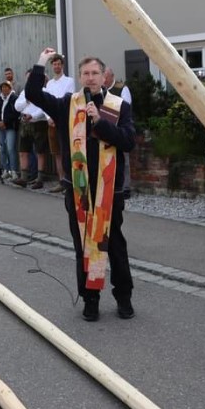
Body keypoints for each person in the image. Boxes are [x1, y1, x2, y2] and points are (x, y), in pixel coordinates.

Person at [26, 46, 137, 322]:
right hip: (77, 189)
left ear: (104, 76)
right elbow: (33, 95)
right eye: (85, 73)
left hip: (111, 191)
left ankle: (123, 297)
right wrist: (42, 63)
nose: (90, 78)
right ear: (79, 76)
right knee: (83, 246)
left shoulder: (118, 106)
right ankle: (90, 299)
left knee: (114, 246)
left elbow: (128, 141)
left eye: (95, 73)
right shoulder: (68, 104)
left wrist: (99, 122)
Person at [42, 52, 76, 193]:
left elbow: (67, 100)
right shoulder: (49, 83)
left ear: (62, 65)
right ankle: (61, 180)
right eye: (54, 64)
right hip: (51, 121)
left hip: (63, 121)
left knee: (66, 151)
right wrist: (48, 117)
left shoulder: (69, 81)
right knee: (56, 152)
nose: (56, 66)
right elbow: (45, 101)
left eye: (58, 64)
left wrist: (58, 117)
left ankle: (69, 180)